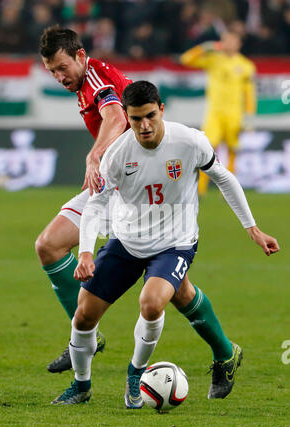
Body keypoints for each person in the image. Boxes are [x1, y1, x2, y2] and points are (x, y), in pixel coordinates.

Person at [51, 81, 279, 407]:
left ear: (161, 109)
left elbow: (224, 178)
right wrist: (86, 252)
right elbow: (96, 205)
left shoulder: (189, 141)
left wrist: (253, 229)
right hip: (127, 240)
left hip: (175, 242)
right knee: (84, 315)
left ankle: (135, 372)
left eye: (149, 116)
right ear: (126, 118)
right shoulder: (117, 154)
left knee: (152, 301)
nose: (144, 126)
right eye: (135, 119)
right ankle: (82, 385)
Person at [36, 25, 132, 373]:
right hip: (111, 187)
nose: (59, 77)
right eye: (52, 72)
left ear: (80, 55)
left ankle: (224, 351)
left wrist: (94, 157)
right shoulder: (84, 82)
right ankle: (84, 336)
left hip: (138, 192)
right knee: (48, 245)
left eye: (63, 68)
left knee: (176, 290)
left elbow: (116, 115)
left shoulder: (94, 77)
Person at [180, 30, 256, 197]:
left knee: (232, 150)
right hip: (214, 113)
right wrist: (205, 47)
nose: (228, 43)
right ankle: (200, 190)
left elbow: (249, 94)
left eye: (232, 40)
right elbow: (186, 59)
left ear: (239, 43)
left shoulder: (246, 66)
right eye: (225, 40)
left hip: (234, 114)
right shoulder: (214, 59)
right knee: (207, 149)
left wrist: (249, 118)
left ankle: (230, 191)